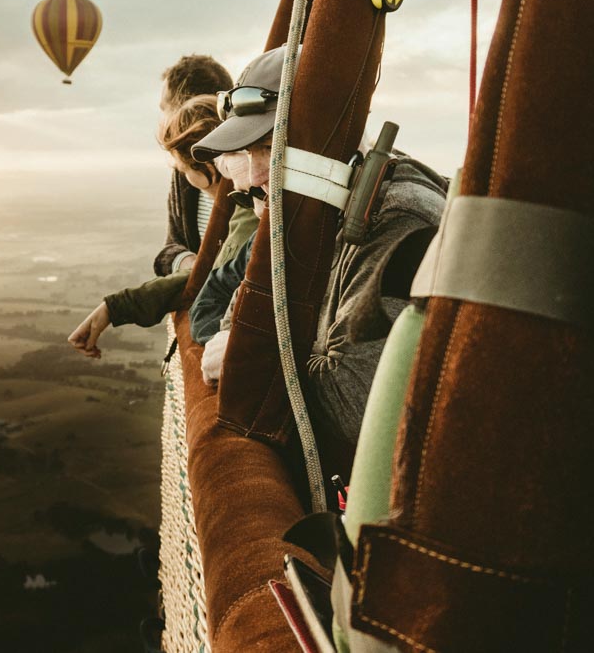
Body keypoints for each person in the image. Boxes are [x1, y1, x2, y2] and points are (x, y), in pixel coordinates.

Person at [189, 45, 447, 447]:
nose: (253, 175)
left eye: (271, 148)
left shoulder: (398, 221)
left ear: (326, 141)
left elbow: (355, 411)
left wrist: (250, 362)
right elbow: (234, 317)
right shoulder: (307, 216)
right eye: (247, 151)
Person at [67, 96, 259, 359]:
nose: (183, 179)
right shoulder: (232, 201)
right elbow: (174, 250)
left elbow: (212, 277)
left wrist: (116, 307)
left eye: (182, 169)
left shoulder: (249, 206)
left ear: (204, 166)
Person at [154, 55, 234, 278]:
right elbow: (170, 248)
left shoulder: (248, 176)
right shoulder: (184, 172)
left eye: (165, 108)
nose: (163, 118)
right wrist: (186, 263)